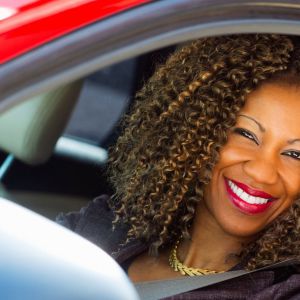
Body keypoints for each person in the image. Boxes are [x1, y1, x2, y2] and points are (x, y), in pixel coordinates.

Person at [57, 34, 300, 299]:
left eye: (296, 155)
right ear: (197, 130)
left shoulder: (282, 292)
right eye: (246, 134)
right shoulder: (104, 226)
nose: (262, 172)